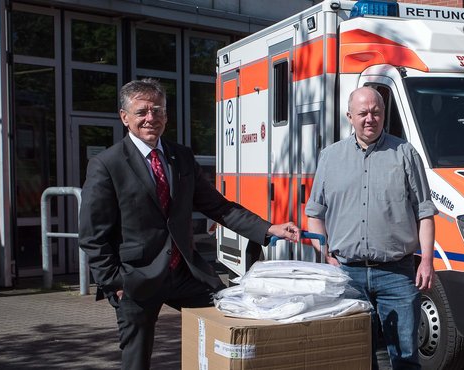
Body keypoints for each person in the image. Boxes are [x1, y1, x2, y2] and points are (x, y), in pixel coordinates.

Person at [79, 78, 301, 370]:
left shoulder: (180, 157)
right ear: (124, 117)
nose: (150, 118)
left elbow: (218, 207)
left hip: (184, 273)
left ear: (166, 116)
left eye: (157, 111)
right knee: (137, 360)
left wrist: (268, 228)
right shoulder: (107, 164)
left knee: (226, 320)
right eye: (142, 112)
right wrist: (116, 283)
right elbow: (92, 235)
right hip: (136, 279)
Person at [304, 87, 436, 370]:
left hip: (397, 274)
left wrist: (426, 261)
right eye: (363, 113)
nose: (370, 118)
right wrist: (325, 251)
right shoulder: (330, 157)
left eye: (376, 112)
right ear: (349, 116)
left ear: (383, 114)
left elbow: (424, 212)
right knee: (355, 358)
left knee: (404, 358)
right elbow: (314, 214)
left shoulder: (405, 153)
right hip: (347, 274)